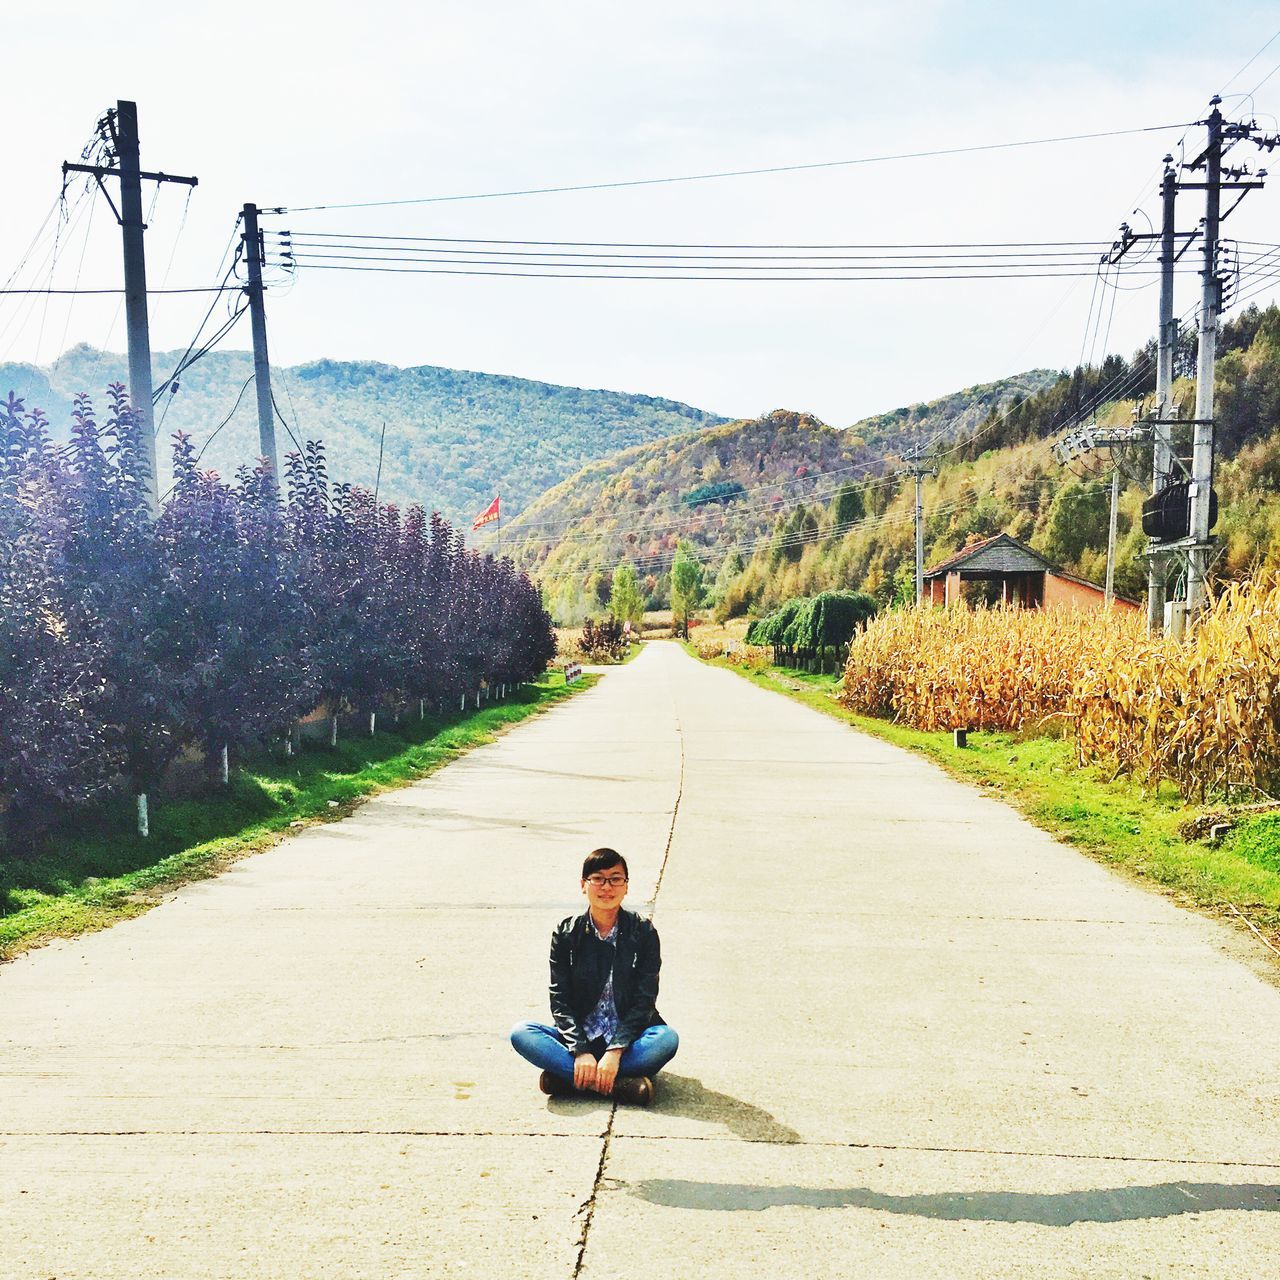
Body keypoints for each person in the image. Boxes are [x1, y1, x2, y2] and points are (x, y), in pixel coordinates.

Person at [510, 847, 678, 1106]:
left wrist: (615, 1050)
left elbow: (644, 1000)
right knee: (522, 1033)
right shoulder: (566, 933)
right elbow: (560, 999)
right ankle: (620, 1085)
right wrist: (579, 1050)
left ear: (626, 886)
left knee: (666, 1040)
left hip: (628, 1041)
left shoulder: (643, 931)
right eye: (598, 878)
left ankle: (569, 1080)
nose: (607, 887)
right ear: (583, 885)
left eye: (615, 878)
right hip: (580, 1036)